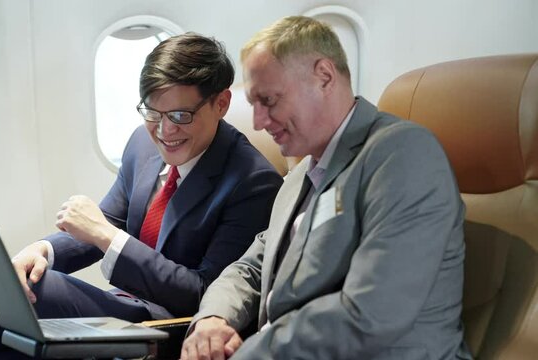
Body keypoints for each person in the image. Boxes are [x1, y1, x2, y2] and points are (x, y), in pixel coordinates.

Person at [0, 33, 283, 359]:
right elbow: (106, 221)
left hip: (169, 326)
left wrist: (107, 236)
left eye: (181, 115)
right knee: (14, 328)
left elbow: (205, 292)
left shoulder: (253, 183)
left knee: (39, 295)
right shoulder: (142, 144)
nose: (165, 131)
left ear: (221, 104)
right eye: (152, 112)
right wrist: (43, 251)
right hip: (124, 305)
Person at [181, 16, 473, 360]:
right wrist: (214, 319)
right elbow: (253, 267)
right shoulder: (302, 174)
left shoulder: (401, 156)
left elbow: (370, 315)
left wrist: (252, 353)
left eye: (270, 101)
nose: (259, 122)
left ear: (324, 76)